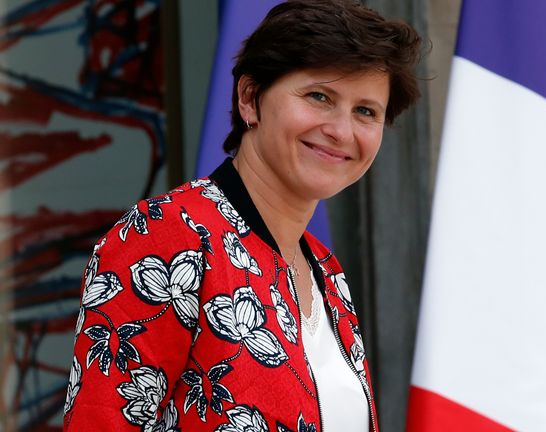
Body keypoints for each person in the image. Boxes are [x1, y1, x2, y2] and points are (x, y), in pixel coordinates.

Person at [62, 1, 422, 430]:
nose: (342, 131)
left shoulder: (326, 269)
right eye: (319, 96)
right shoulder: (166, 238)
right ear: (250, 99)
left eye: (366, 111)